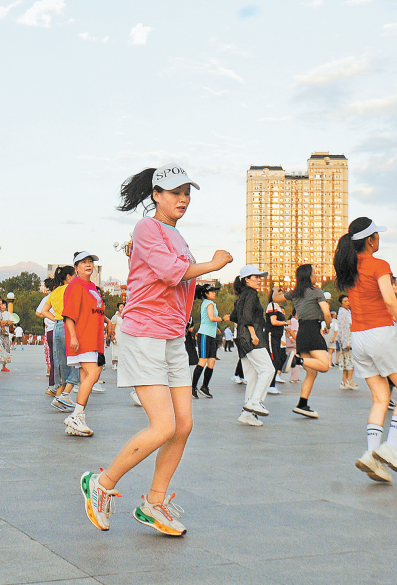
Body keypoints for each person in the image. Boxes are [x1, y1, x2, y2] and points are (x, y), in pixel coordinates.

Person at [81, 165, 232, 536]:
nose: (183, 198)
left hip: (171, 337)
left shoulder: (177, 235)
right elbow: (169, 273)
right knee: (163, 425)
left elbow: (179, 283)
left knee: (183, 426)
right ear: (156, 196)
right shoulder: (146, 228)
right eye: (174, 192)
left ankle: (154, 502)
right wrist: (213, 264)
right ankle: (100, 484)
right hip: (144, 334)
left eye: (187, 192)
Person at [333, 217, 397, 483]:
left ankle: (372, 455)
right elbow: (390, 300)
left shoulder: (348, 268)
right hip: (382, 333)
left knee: (380, 399)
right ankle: (392, 447)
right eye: (377, 236)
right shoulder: (378, 265)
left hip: (359, 338)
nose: (378, 240)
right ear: (370, 240)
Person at [272, 264, 332, 419]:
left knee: (312, 373)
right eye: (314, 273)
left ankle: (302, 404)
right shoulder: (317, 292)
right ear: (308, 276)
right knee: (324, 365)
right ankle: (296, 360)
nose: (316, 276)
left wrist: (275, 287)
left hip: (302, 332)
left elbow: (275, 299)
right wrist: (328, 325)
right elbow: (326, 312)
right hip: (313, 330)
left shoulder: (295, 293)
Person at [62, 251, 111, 437]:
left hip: (95, 338)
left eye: (90, 262)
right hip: (83, 338)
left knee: (86, 379)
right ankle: (77, 415)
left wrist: (108, 321)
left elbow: (95, 310)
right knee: (94, 373)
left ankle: (76, 420)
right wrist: (73, 337)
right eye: (83, 262)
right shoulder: (75, 286)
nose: (88, 265)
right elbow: (68, 315)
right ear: (76, 267)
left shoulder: (92, 286)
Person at [233, 265, 272, 426]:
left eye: (259, 277)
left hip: (242, 338)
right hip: (252, 337)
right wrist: (254, 334)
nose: (258, 280)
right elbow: (247, 316)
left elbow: (236, 316)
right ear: (246, 280)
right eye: (255, 277)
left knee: (253, 377)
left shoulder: (242, 295)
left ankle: (247, 414)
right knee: (268, 369)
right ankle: (255, 402)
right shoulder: (251, 294)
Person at [40, 266, 79, 411]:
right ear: (68, 276)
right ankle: (64, 396)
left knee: (60, 364)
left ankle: (59, 396)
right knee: (75, 361)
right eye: (75, 275)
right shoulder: (71, 289)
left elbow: (43, 311)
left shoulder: (55, 291)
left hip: (57, 326)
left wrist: (56, 318)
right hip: (68, 326)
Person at [191, 284, 222, 398]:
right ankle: (193, 387)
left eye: (215, 291)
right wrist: (223, 319)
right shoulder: (208, 303)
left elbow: (208, 319)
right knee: (203, 361)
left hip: (211, 335)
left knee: (212, 361)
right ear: (206, 293)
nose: (214, 293)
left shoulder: (212, 303)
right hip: (204, 335)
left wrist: (216, 328)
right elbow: (211, 318)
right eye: (212, 291)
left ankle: (204, 387)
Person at [36, 292, 58, 394]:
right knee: (57, 359)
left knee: (55, 359)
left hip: (52, 329)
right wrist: (54, 319)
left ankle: (54, 385)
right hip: (55, 329)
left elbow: (40, 312)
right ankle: (55, 386)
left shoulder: (50, 296)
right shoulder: (52, 296)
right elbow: (40, 312)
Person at [336, 295, 357, 390]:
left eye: (348, 300)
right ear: (341, 303)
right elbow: (342, 327)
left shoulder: (348, 311)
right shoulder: (342, 313)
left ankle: (344, 381)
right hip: (347, 338)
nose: (348, 302)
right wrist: (345, 342)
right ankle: (350, 380)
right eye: (345, 301)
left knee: (345, 359)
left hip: (349, 337)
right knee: (349, 359)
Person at [109, 302, 124, 369]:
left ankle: (120, 363)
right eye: (121, 307)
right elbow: (113, 326)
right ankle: (114, 363)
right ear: (118, 308)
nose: (122, 308)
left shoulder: (125, 317)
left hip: (122, 334)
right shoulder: (115, 317)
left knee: (121, 348)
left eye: (123, 307)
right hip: (117, 333)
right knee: (115, 348)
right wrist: (112, 335)